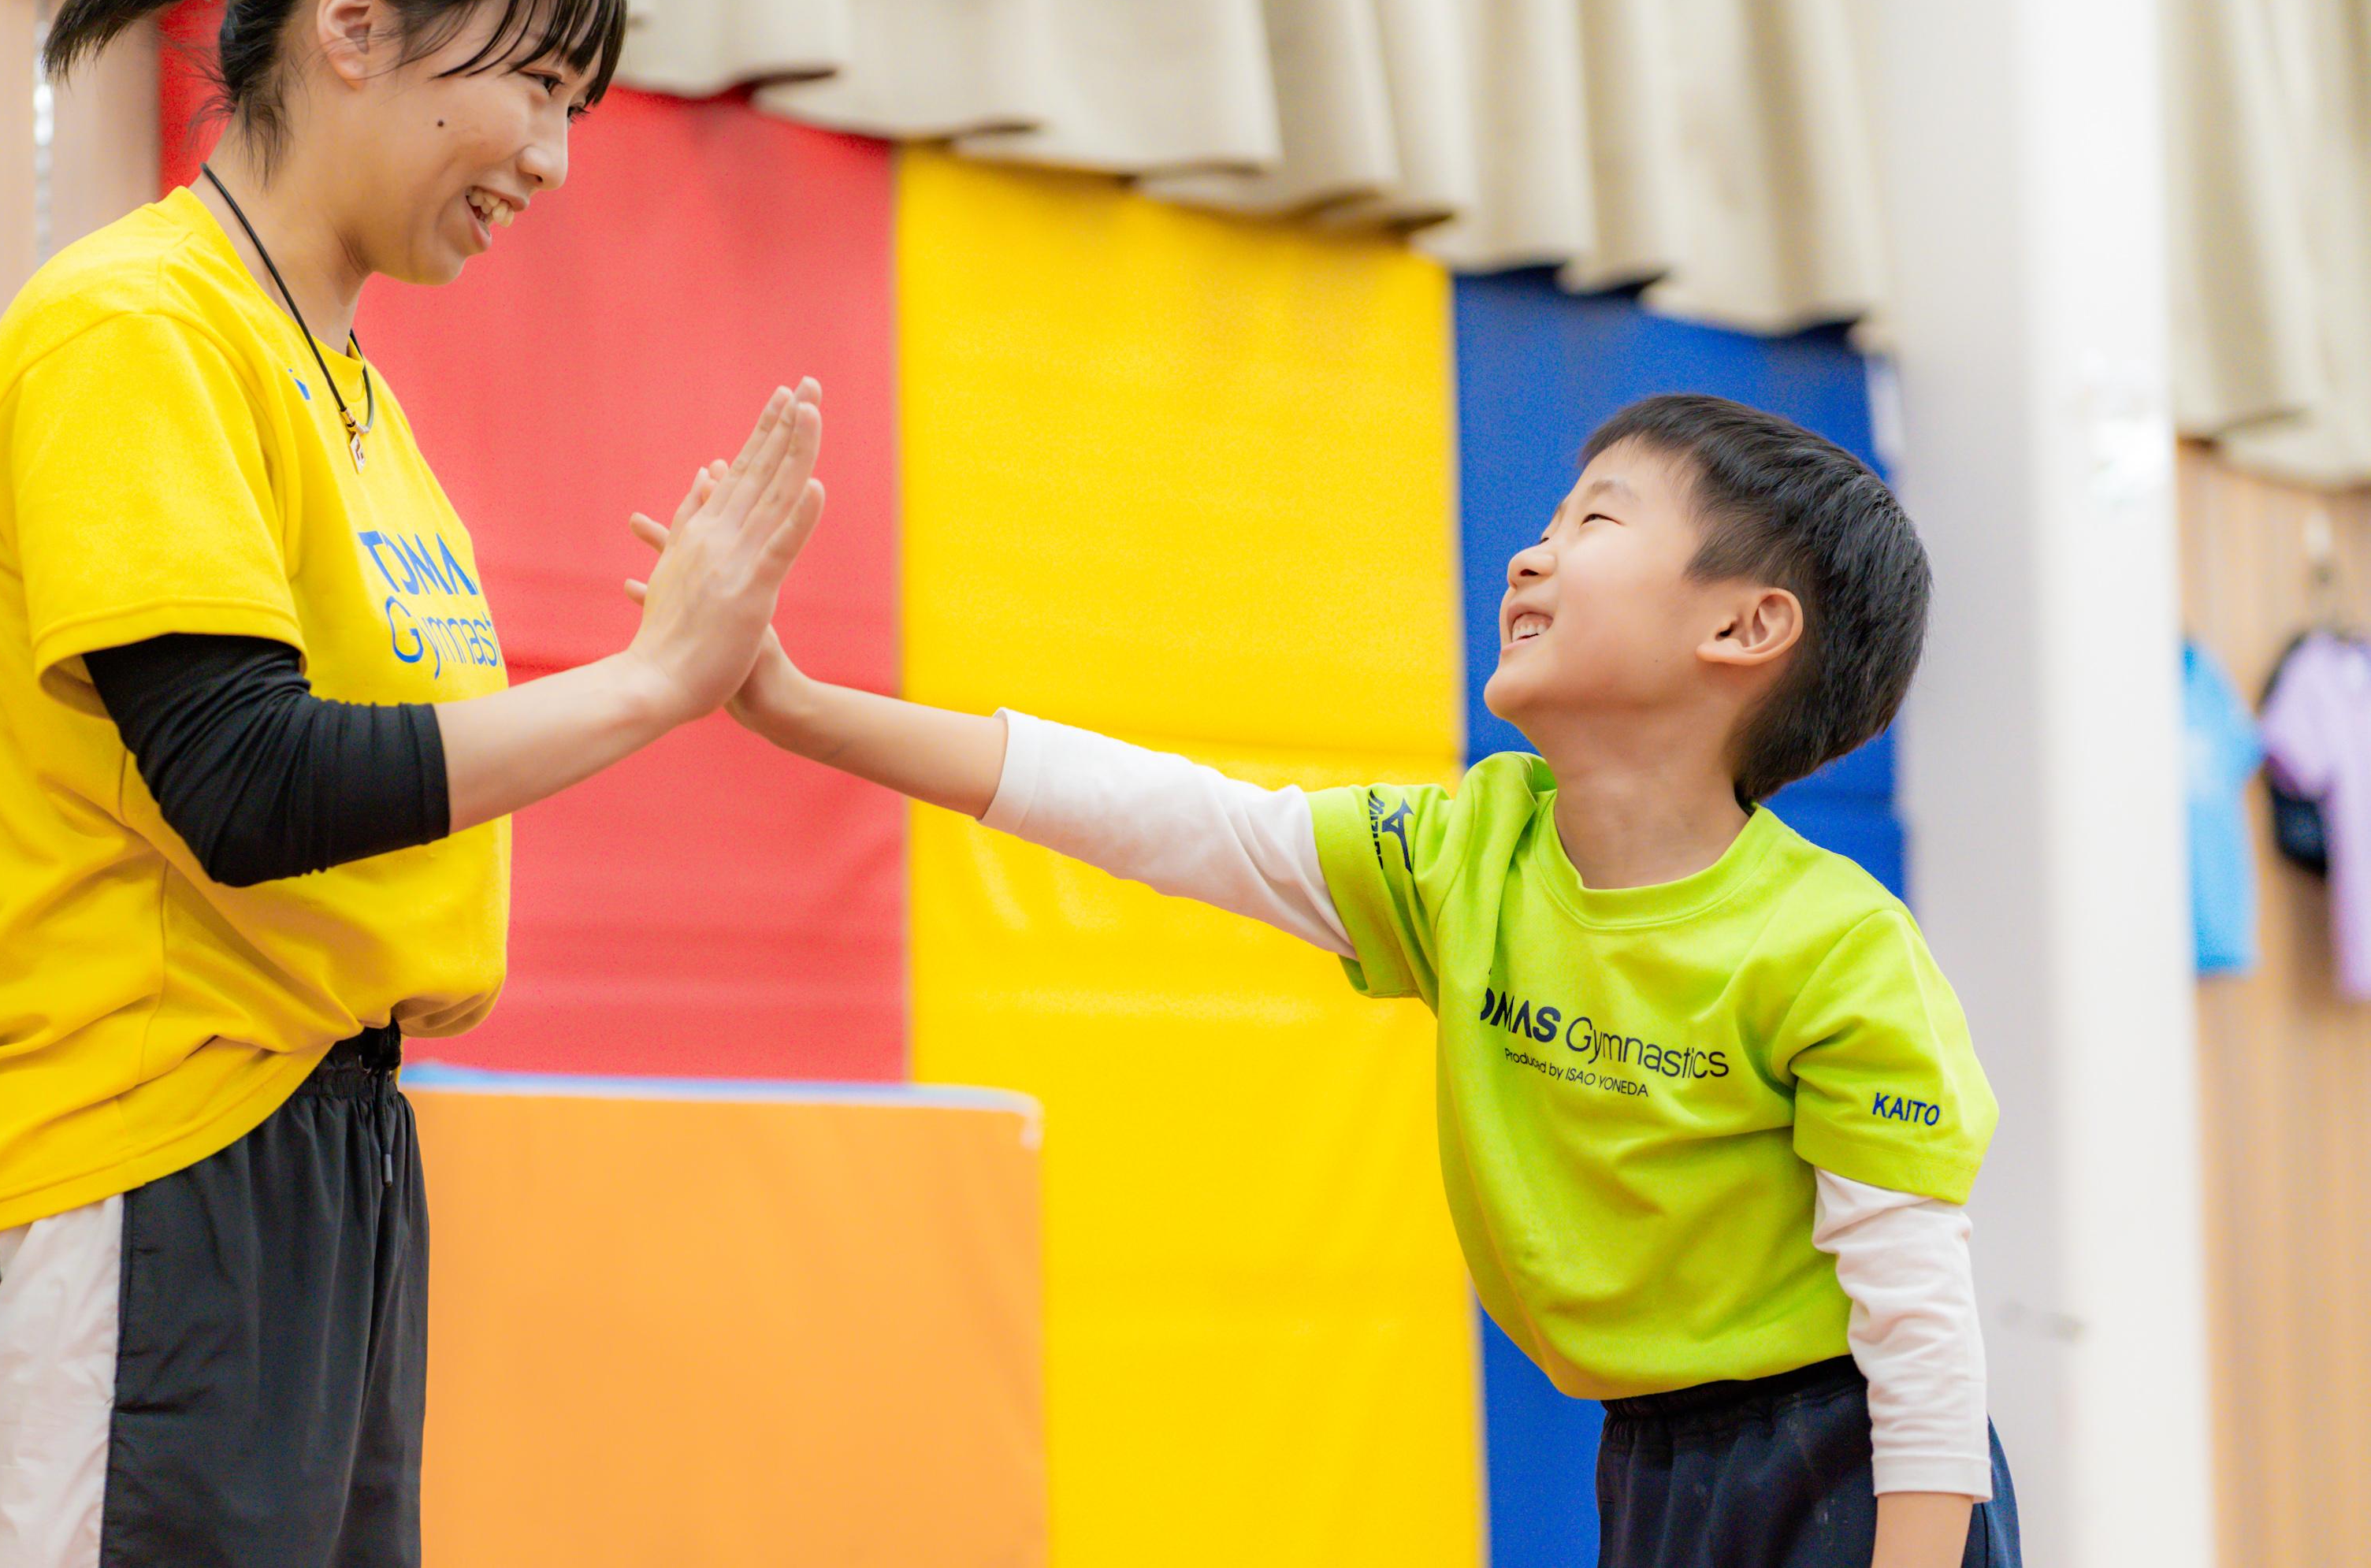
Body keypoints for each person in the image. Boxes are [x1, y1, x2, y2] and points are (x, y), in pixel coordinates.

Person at [0, 0, 826, 1568]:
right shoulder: (137, 333)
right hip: (132, 1169)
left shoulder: (351, 394)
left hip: (331, 1162)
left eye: (577, 107)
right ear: (354, 26)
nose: (551, 155)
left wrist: (672, 670)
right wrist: (649, 681)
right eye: (534, 84)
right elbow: (241, 784)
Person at [642, 393, 2025, 1568]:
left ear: (1745, 629)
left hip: (1862, 1469)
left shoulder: (1834, 951)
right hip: (1652, 1452)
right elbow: (1165, 811)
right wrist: (795, 705)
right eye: (1546, 522)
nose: (1531, 557)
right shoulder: (1466, 857)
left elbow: (1920, 1334)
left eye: (1596, 522)